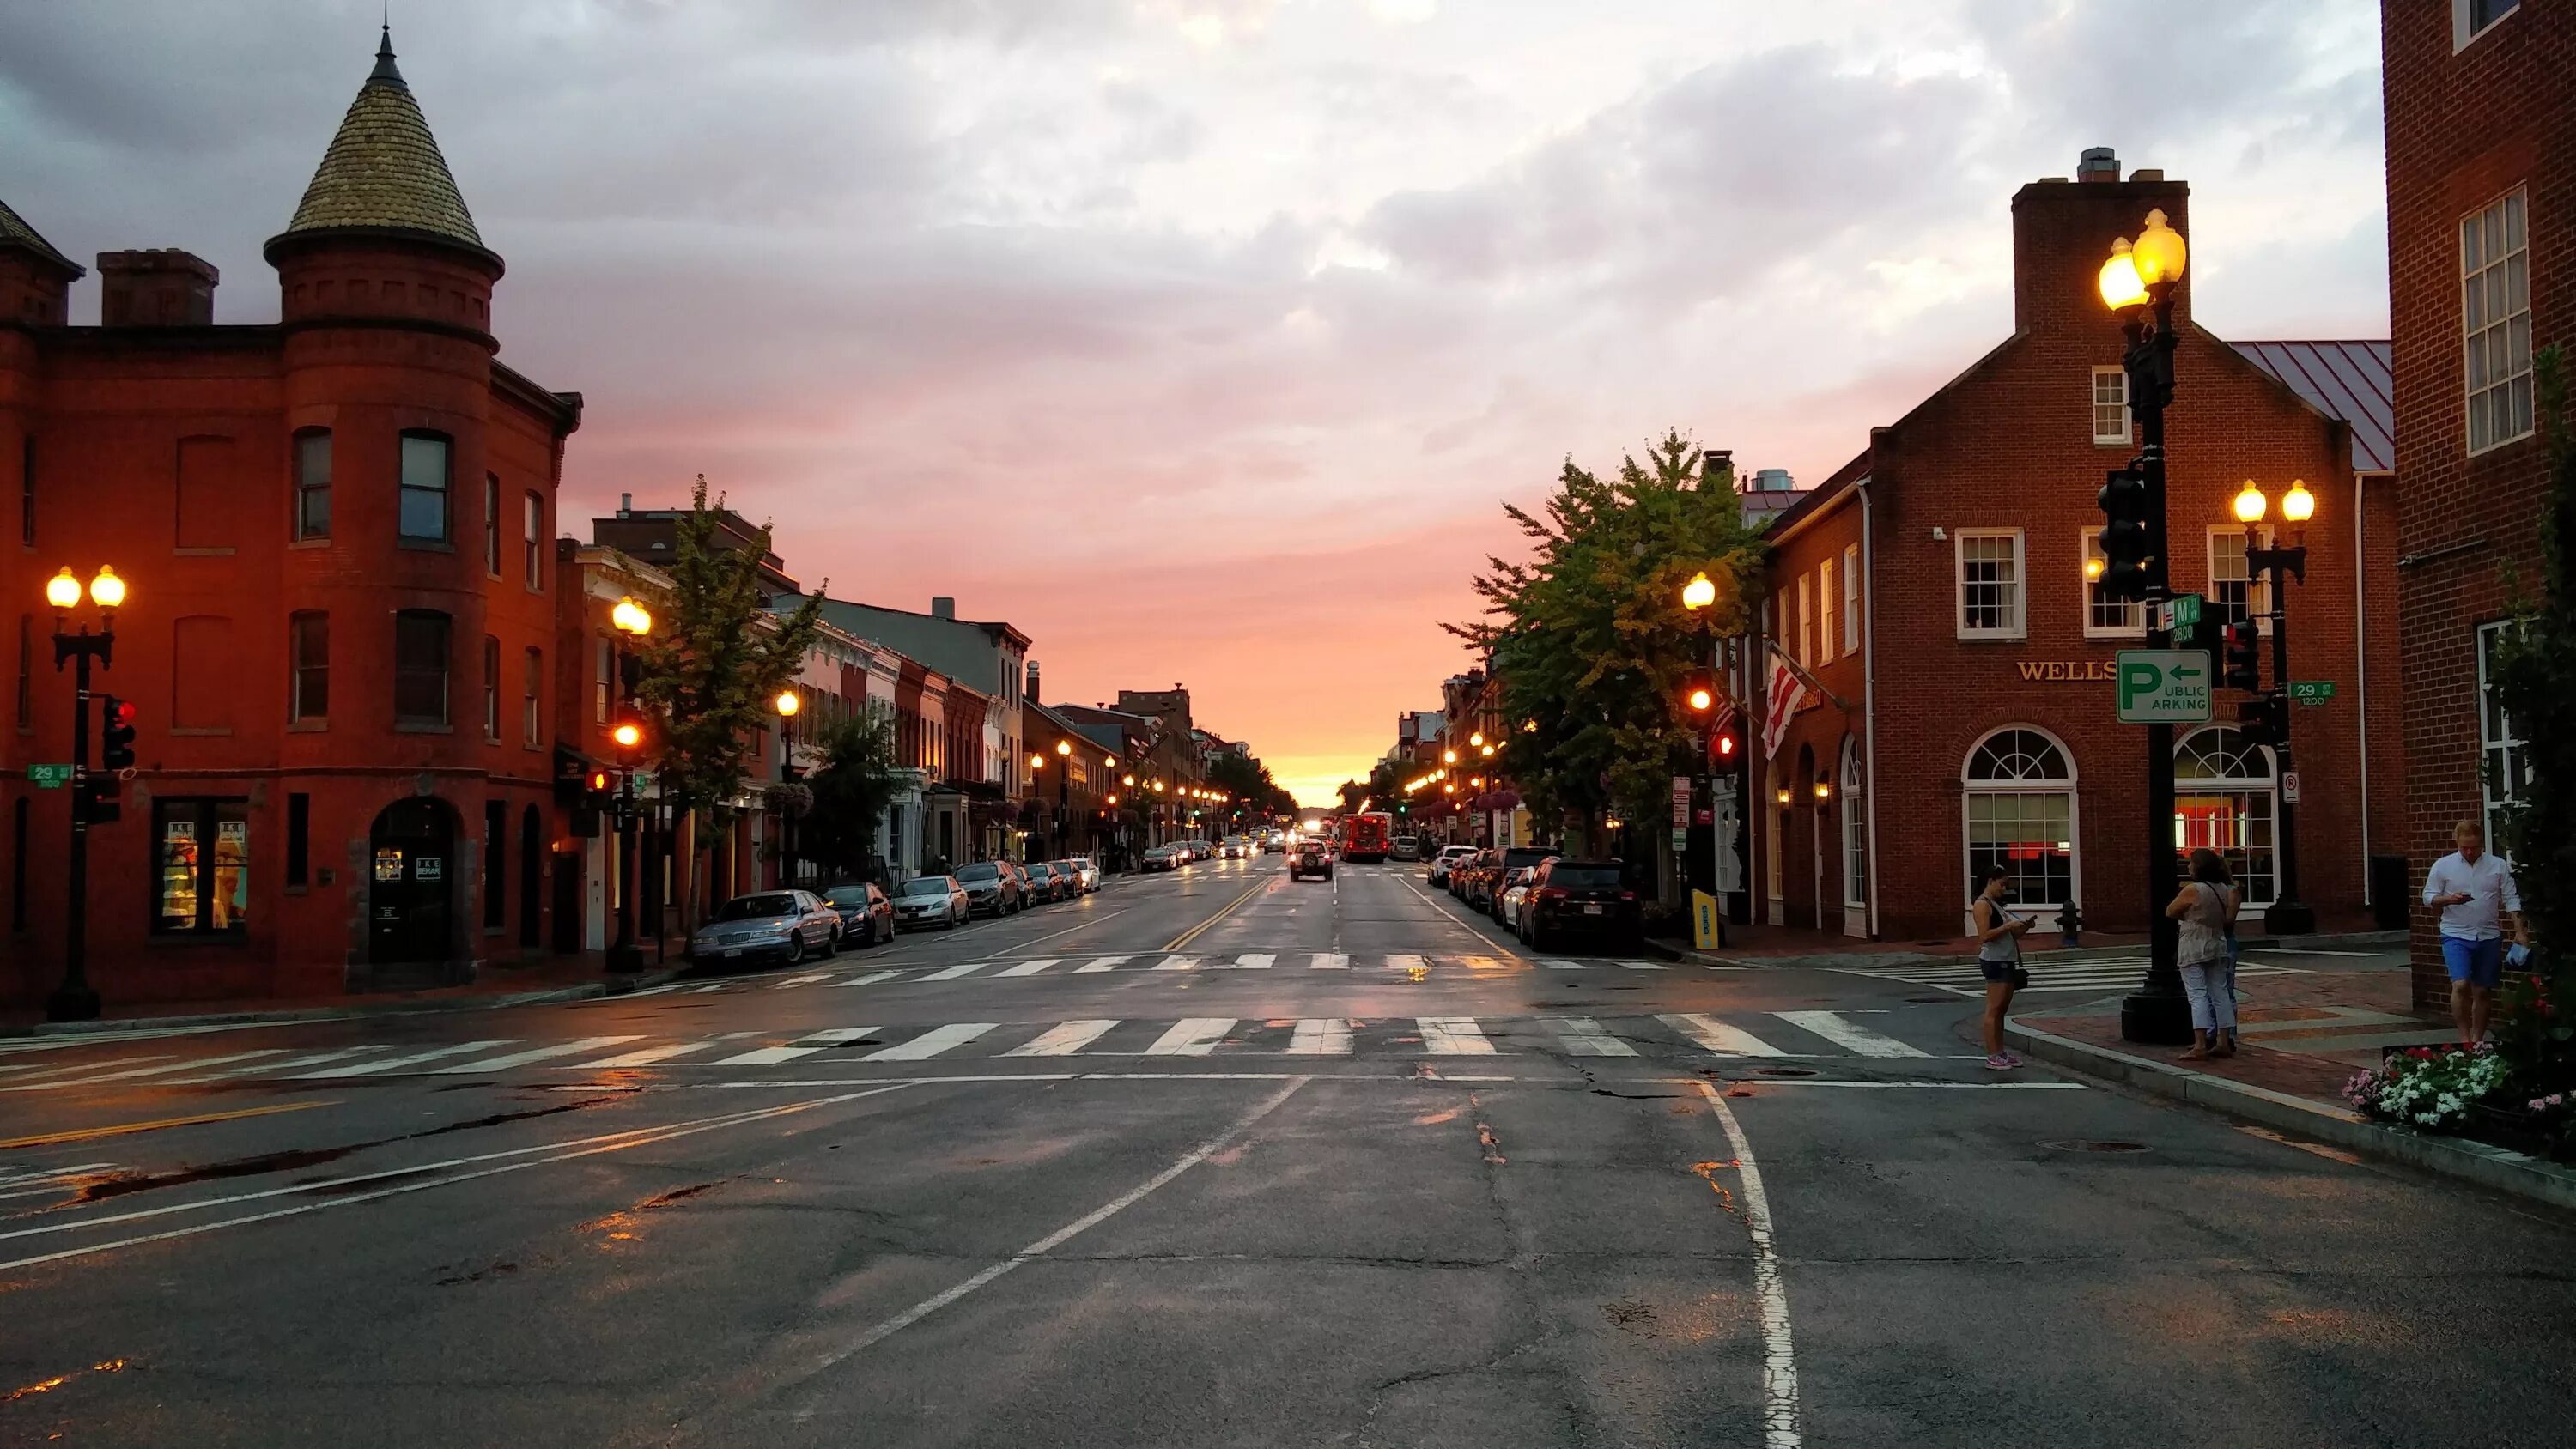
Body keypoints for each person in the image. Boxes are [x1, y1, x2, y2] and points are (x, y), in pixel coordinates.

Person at [2422, 819, 2528, 1045]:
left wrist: (2519, 932)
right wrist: (2449, 899)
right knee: (2460, 985)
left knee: (2482, 991)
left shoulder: (2497, 866)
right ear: (2457, 843)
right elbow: (2428, 896)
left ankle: (2477, 1040)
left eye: (2474, 847)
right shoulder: (2444, 865)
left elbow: (2511, 899)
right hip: (2455, 933)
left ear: (2482, 844)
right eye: (2464, 847)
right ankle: (2464, 1039)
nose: (2469, 852)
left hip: (2488, 935)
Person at [2166, 848, 2237, 1060]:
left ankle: (2200, 1044)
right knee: (2220, 993)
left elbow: (2170, 911)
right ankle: (2224, 1041)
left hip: (2194, 944)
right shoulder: (2225, 889)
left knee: (2197, 994)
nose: (2189, 867)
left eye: (2191, 863)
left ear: (2199, 867)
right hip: (2218, 943)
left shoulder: (2193, 890)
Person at [1971, 864, 2032, 1070]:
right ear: (1990, 882)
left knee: (2002, 1009)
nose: (2004, 889)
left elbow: (2012, 935)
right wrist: (2008, 925)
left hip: (2006, 959)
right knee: (1994, 1009)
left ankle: (2000, 1052)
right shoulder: (1982, 905)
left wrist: (2023, 927)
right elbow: (1984, 936)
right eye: (2002, 884)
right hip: (1994, 961)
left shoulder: (1996, 904)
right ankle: (1993, 1055)